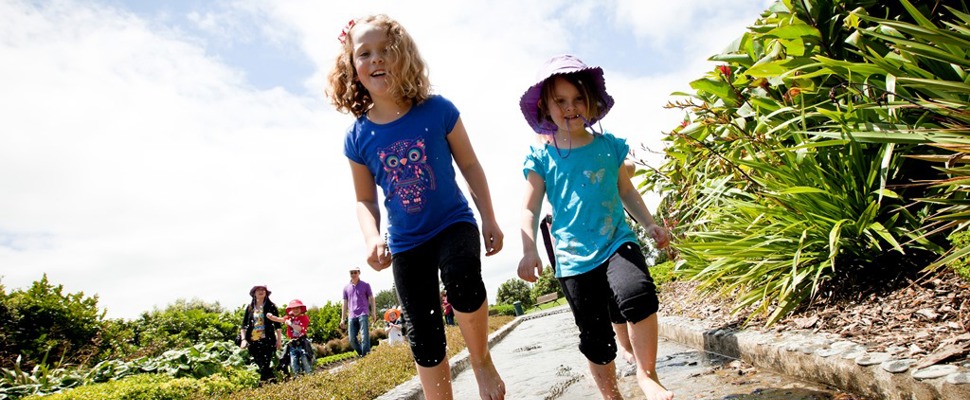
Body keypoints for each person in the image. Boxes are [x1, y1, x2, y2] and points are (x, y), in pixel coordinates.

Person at [327, 14, 506, 400]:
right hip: (407, 241)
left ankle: (481, 360)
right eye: (365, 53)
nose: (376, 59)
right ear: (352, 67)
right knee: (422, 332)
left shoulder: (437, 109)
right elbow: (364, 199)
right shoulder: (358, 137)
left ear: (403, 55)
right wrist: (372, 236)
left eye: (385, 50)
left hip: (453, 222)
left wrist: (488, 216)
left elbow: (470, 165)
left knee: (462, 280)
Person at [516, 54, 674, 400]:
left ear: (591, 103)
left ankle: (647, 374)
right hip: (573, 258)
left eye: (578, 99)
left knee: (638, 293)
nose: (570, 108)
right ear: (546, 105)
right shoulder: (542, 156)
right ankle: (611, 395)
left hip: (617, 240)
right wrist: (528, 249)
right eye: (560, 101)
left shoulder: (607, 147)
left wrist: (648, 224)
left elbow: (626, 190)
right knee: (596, 339)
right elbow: (529, 208)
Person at [239, 285, 282, 383]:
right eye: (258, 290)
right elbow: (243, 325)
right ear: (254, 293)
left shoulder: (271, 307)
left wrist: (279, 340)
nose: (261, 291)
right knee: (260, 363)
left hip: (268, 340)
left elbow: (278, 326)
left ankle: (265, 384)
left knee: (265, 364)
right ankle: (271, 383)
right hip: (253, 341)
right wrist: (243, 339)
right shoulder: (249, 308)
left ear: (266, 293)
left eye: (263, 290)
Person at [267, 299, 313, 376]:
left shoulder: (304, 318)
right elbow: (279, 319)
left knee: (305, 362)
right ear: (291, 310)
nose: (295, 310)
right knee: (293, 363)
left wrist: (290, 324)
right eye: (293, 308)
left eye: (297, 308)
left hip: (302, 343)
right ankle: (298, 379)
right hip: (293, 344)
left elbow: (299, 328)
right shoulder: (289, 318)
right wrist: (271, 317)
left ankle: (310, 378)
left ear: (301, 309)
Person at [340, 267, 375, 357]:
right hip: (352, 315)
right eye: (351, 273)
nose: (353, 274)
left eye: (355, 272)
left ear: (359, 273)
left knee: (364, 336)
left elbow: (371, 298)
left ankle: (365, 356)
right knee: (351, 339)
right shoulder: (346, 288)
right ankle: (363, 354)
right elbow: (345, 303)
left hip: (363, 313)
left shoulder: (365, 285)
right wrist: (342, 319)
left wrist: (373, 312)